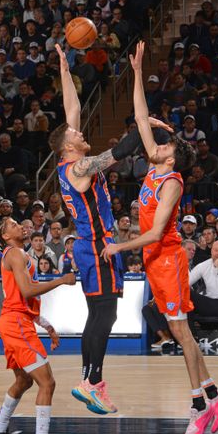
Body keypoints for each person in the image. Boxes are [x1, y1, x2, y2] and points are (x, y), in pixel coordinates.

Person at [103, 41, 218, 434]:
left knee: (181, 332)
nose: (155, 145)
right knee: (178, 331)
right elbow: (141, 119)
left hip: (168, 257)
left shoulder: (172, 182)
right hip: (156, 260)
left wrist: (120, 247)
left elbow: (157, 233)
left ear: (172, 157)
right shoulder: (158, 167)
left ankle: (199, 406)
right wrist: (138, 72)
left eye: (164, 145)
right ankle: (215, 394)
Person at [49, 43, 148, 414]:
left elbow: (70, 110)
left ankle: (90, 380)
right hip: (97, 246)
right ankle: (92, 381)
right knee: (105, 316)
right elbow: (119, 153)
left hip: (89, 247)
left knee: (98, 315)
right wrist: (142, 124)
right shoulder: (78, 168)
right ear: (66, 148)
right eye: (75, 136)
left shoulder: (69, 166)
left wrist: (63, 67)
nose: (80, 133)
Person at [0, 216, 75, 434]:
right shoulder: (15, 254)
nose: (20, 226)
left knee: (23, 380)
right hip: (16, 324)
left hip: (14, 321)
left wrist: (47, 326)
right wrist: (61, 280)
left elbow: (23, 299)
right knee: (47, 383)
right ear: (5, 235)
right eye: (13, 225)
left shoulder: (18, 256)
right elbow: (26, 292)